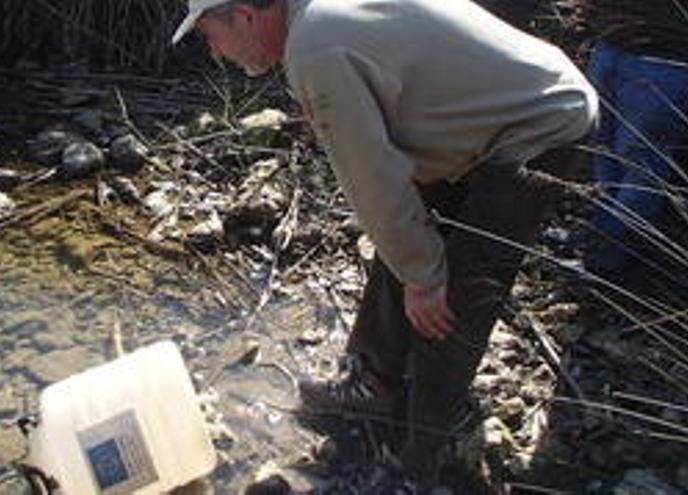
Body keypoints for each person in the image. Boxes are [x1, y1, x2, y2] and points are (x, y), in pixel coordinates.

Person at [172, 0, 597, 488]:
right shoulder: (315, 18)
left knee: (457, 295)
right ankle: (371, 380)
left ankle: (419, 457)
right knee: (404, 240)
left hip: (539, 124)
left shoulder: (315, 46)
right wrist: (414, 261)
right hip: (482, 117)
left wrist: (424, 277)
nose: (215, 52)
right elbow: (390, 179)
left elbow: (372, 179)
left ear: (245, 14)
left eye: (210, 36)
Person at [573, 0, 688, 281]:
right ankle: (599, 239)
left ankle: (606, 259)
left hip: (664, 60)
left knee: (641, 166)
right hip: (613, 45)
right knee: (605, 153)